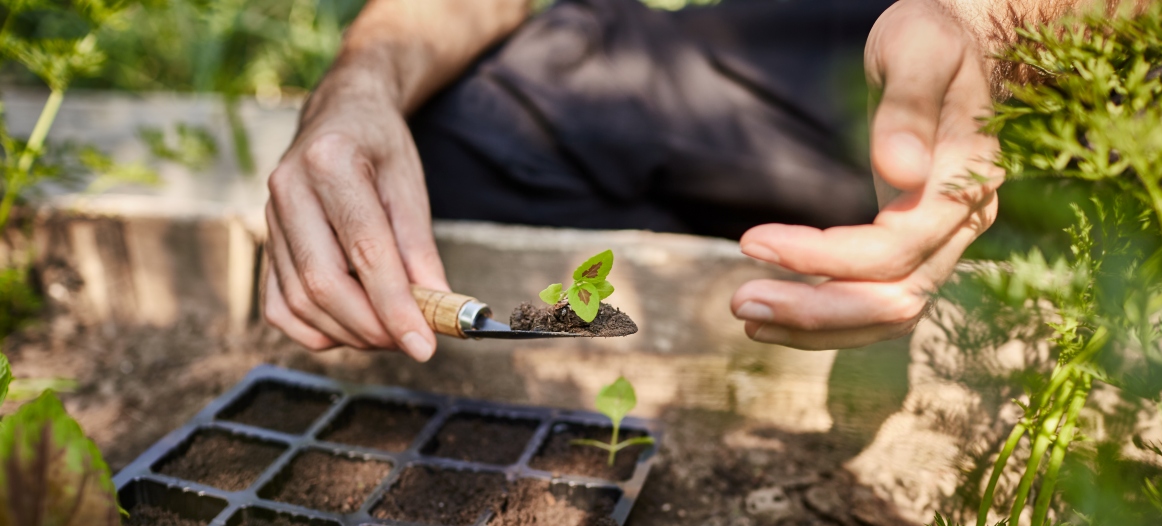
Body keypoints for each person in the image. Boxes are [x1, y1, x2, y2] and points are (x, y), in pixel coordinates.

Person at [263, 0, 1056, 362]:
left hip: (1056, 88)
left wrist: (985, 33)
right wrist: (357, 90)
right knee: (455, 127)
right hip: (823, 37)